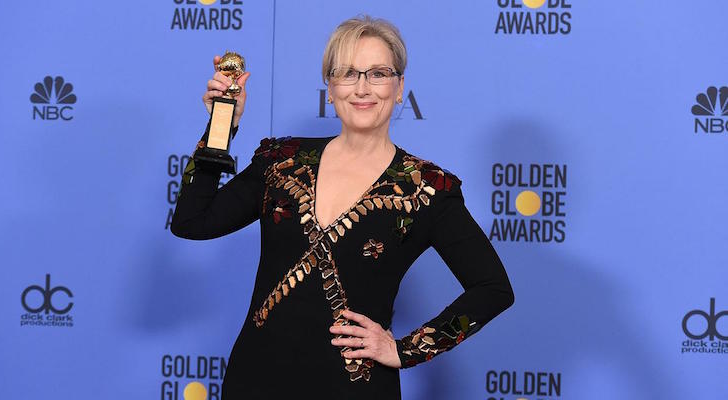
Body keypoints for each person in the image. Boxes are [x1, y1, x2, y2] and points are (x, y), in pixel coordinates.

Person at [171, 15, 514, 399]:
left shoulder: (426, 188)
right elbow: (192, 221)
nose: (363, 88)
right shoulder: (282, 161)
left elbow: (493, 288)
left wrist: (404, 350)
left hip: (355, 387)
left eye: (379, 73)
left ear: (400, 88)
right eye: (348, 73)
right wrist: (221, 128)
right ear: (330, 88)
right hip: (255, 380)